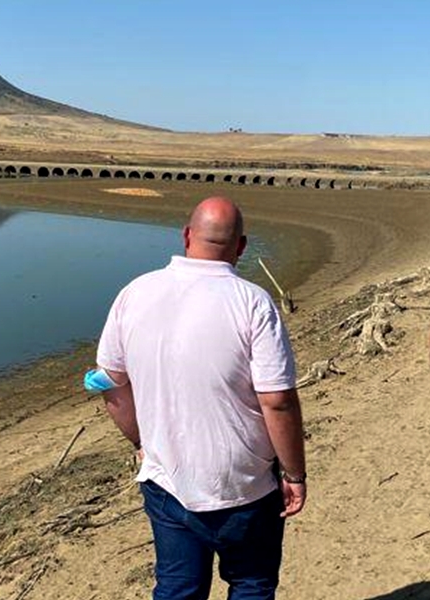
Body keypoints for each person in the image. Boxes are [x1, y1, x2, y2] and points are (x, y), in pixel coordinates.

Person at [93, 196, 307, 600]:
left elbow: (110, 383)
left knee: (178, 589)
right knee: (251, 585)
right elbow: (276, 399)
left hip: (167, 480)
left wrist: (142, 442)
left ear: (187, 235)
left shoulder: (135, 292)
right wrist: (294, 475)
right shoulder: (253, 302)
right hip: (246, 486)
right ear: (241, 247)